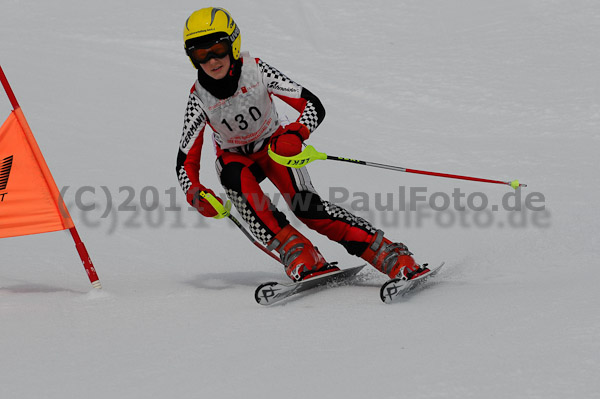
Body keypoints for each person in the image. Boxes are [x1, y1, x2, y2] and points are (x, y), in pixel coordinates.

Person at [176, 7, 429, 282]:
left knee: (309, 209)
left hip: (274, 149)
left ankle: (388, 253)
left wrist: (296, 134)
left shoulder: (256, 71)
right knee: (235, 182)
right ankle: (299, 253)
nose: (212, 60)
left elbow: (312, 104)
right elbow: (184, 161)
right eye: (201, 54)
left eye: (218, 48)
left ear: (233, 43)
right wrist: (195, 193)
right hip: (236, 160)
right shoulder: (199, 98)